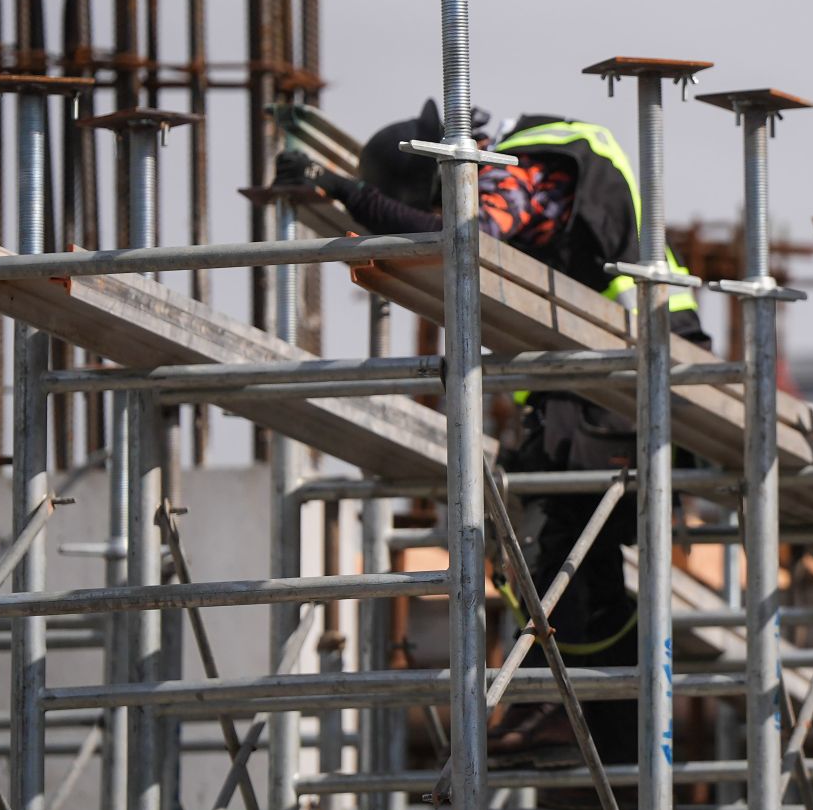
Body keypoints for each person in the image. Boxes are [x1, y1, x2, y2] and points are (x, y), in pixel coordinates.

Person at [275, 100, 707, 775]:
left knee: (561, 550)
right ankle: (577, 726)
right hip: (598, 383)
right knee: (541, 551)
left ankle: (588, 726)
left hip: (637, 371)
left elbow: (474, 240)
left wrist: (350, 196)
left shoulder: (525, 164)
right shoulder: (534, 153)